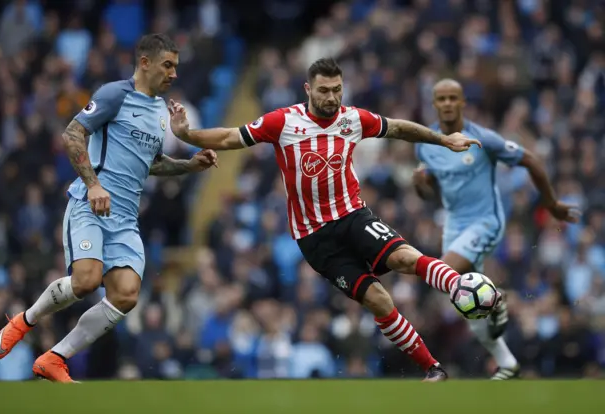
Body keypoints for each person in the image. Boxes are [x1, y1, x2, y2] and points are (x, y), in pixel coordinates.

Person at [169, 57, 493, 382]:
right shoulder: (283, 122)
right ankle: (431, 366)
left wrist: (443, 139)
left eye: (337, 90)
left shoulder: (352, 119)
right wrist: (188, 135)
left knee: (404, 257)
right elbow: (228, 138)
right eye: (324, 90)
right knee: (379, 301)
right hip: (316, 240)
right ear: (308, 89)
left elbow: (397, 127)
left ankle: (456, 286)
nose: (331, 97)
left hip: (353, 215)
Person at [0, 33, 218, 383]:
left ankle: (54, 357)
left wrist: (189, 165)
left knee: (126, 295)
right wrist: (94, 184)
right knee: (86, 281)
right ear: (145, 63)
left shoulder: (161, 111)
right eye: (167, 65)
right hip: (90, 205)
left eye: (176, 67)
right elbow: (72, 134)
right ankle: (25, 320)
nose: (174, 74)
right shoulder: (115, 94)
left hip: (126, 219)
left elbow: (150, 163)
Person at [413, 79, 580, 380]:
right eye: (442, 99)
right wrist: (421, 185)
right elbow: (431, 190)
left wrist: (552, 203)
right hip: (454, 225)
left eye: (454, 98)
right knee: (459, 298)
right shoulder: (425, 144)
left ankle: (496, 297)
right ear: (434, 104)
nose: (448, 103)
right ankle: (508, 363)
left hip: (485, 220)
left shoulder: (483, 139)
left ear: (463, 102)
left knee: (445, 271)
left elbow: (530, 159)